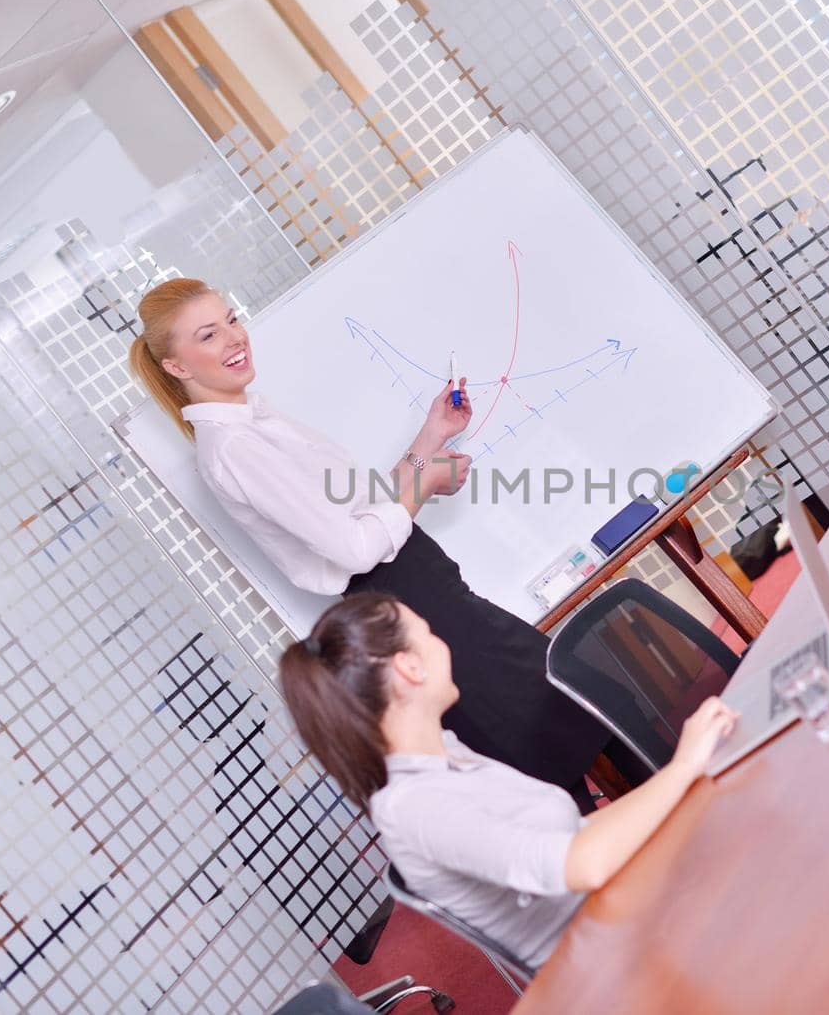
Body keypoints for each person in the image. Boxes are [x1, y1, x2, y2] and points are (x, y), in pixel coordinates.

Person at [127, 278, 614, 804]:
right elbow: (357, 549)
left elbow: (367, 510)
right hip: (420, 618)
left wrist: (432, 436)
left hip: (438, 608)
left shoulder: (254, 422)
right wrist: (425, 483)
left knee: (583, 731)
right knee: (560, 777)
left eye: (232, 318)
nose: (233, 337)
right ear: (177, 367)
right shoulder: (234, 447)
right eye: (208, 334)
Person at [277, 592, 738, 968]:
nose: (442, 644)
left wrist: (684, 781)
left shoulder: (447, 752)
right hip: (610, 960)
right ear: (409, 668)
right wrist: (681, 768)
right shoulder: (412, 808)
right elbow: (581, 865)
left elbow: (579, 836)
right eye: (429, 634)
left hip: (629, 911)